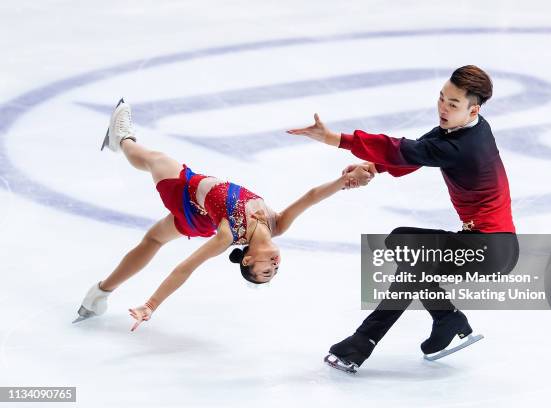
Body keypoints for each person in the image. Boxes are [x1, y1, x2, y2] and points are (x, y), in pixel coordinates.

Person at [287, 65, 520, 372]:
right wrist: (372, 166)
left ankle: (364, 340)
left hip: (491, 250)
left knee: (412, 253)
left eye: (452, 104)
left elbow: (406, 150)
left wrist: (335, 139)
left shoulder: (461, 146)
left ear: (472, 108)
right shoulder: (472, 127)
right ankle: (447, 319)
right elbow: (421, 150)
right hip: (489, 243)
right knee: (405, 244)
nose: (442, 108)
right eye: (441, 98)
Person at [74, 99, 373, 331]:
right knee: (152, 240)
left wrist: (151, 304)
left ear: (247, 259)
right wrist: (342, 182)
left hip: (185, 191)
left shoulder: (228, 234)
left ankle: (122, 139)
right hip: (199, 219)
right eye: (276, 269)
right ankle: (98, 295)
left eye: (266, 270)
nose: (276, 265)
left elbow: (185, 268)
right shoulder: (277, 224)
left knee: (156, 160)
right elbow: (310, 197)